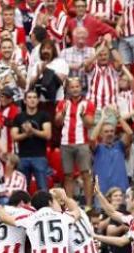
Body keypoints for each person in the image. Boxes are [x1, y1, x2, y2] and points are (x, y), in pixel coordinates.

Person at [55, 78, 95, 207]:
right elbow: (57, 122)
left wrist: (83, 116)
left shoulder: (88, 104)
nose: (75, 89)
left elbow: (90, 124)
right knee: (68, 175)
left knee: (86, 174)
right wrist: (62, 114)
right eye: (72, 87)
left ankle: (89, 206)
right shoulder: (62, 104)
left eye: (77, 86)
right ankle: (70, 205)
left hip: (82, 142)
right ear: (68, 89)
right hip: (65, 142)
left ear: (81, 88)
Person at [11, 90, 52, 191]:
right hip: (23, 157)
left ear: (38, 100)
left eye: (34, 97)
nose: (32, 100)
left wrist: (32, 130)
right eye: (29, 97)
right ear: (25, 101)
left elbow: (48, 135)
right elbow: (14, 136)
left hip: (39, 156)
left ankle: (44, 206)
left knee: (43, 188)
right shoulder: (19, 117)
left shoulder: (44, 116)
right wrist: (26, 134)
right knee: (22, 188)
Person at [90, 120, 133, 195]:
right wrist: (102, 120)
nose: (109, 133)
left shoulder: (120, 145)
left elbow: (129, 133)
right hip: (102, 192)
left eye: (112, 131)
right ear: (100, 134)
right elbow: (92, 138)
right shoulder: (97, 148)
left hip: (120, 190)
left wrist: (118, 116)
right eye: (106, 131)